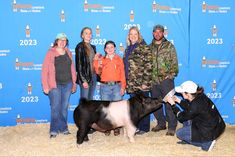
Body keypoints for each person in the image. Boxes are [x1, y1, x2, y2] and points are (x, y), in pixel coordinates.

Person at [168, 80, 226, 151]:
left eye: (182, 92)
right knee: (188, 118)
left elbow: (181, 117)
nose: (180, 94)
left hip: (209, 131)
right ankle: (189, 139)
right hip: (217, 125)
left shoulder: (195, 105)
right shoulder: (199, 96)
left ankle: (207, 143)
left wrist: (173, 105)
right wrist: (178, 100)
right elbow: (191, 109)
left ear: (188, 94)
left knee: (179, 134)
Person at [41, 33, 77, 138]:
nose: (62, 42)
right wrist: (45, 86)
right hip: (54, 85)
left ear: (66, 42)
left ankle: (63, 128)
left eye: (64, 40)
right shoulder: (50, 53)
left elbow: (72, 69)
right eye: (60, 40)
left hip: (68, 84)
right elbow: (44, 70)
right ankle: (53, 130)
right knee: (55, 108)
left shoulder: (68, 52)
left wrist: (74, 83)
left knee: (64, 107)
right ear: (56, 41)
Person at [149, 24, 179, 136]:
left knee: (169, 104)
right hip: (153, 81)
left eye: (159, 32)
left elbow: (174, 62)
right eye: (155, 32)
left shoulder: (169, 46)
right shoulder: (149, 47)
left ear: (163, 33)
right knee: (156, 104)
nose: (157, 34)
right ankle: (161, 123)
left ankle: (172, 126)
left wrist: (171, 75)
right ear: (153, 33)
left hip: (166, 81)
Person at [123, 26, 152, 135]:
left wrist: (145, 82)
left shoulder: (144, 47)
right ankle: (137, 126)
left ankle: (144, 128)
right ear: (129, 36)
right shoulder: (128, 48)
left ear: (138, 35)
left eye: (135, 34)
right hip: (131, 83)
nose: (133, 36)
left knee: (144, 106)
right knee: (135, 107)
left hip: (141, 84)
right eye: (131, 34)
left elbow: (148, 66)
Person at [93, 40, 126, 136]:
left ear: (115, 48)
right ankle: (107, 127)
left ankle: (116, 127)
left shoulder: (119, 59)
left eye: (112, 47)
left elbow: (123, 74)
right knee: (106, 108)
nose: (110, 49)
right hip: (104, 87)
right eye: (107, 47)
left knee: (117, 108)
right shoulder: (101, 59)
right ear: (105, 49)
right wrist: (95, 61)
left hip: (117, 86)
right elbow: (97, 71)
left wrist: (123, 87)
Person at [75, 27, 98, 100]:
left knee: (90, 101)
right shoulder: (80, 47)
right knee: (84, 101)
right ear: (82, 35)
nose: (88, 35)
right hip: (85, 77)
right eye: (86, 33)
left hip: (93, 76)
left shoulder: (93, 47)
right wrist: (83, 80)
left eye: (90, 33)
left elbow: (93, 62)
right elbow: (79, 65)